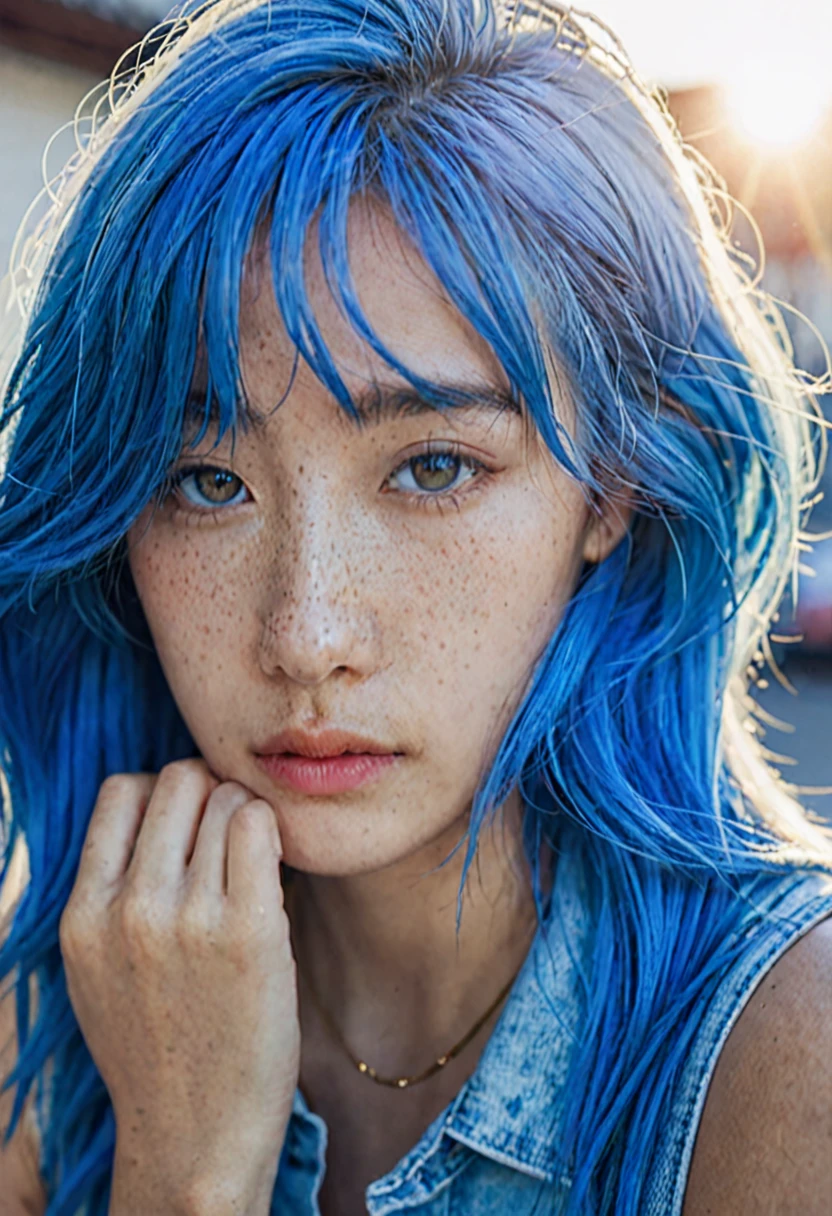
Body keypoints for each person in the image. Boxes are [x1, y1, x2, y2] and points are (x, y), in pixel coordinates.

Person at [0, 0, 831, 1212]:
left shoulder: (787, 1052)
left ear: (612, 488)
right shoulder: (63, 1006)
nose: (307, 635)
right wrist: (184, 1160)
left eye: (432, 467)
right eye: (205, 482)